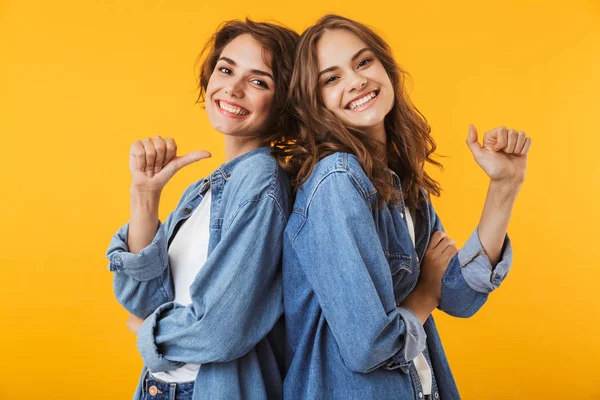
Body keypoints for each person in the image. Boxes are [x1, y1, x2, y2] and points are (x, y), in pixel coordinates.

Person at [281, 14, 531, 399]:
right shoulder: (337, 180)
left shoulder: (399, 183)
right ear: (315, 104)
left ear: (386, 68)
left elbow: (460, 298)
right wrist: (425, 294)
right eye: (331, 79)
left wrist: (505, 185)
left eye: (363, 62)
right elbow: (368, 346)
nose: (356, 81)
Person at [105, 18, 298, 400]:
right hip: (161, 387)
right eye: (226, 69)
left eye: (259, 81)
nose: (233, 88)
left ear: (285, 102)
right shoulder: (206, 187)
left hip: (210, 389)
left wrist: (147, 330)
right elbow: (142, 300)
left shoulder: (262, 181)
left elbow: (222, 329)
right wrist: (145, 196)